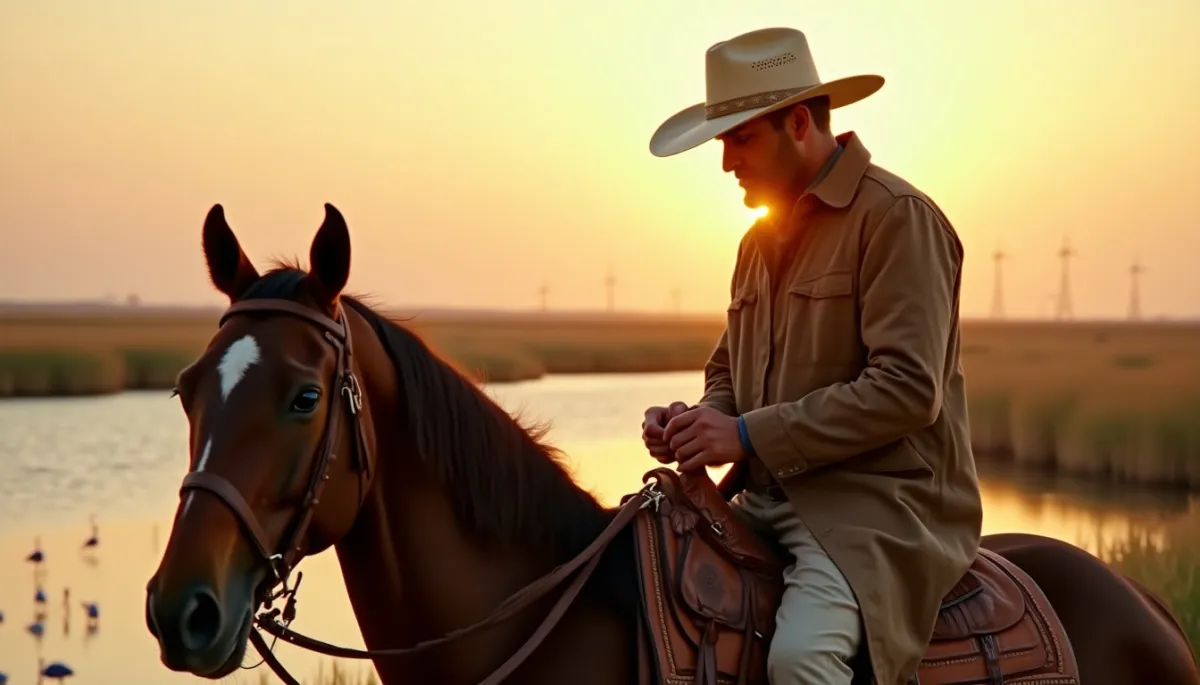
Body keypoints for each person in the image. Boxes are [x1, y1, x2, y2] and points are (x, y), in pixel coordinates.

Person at [640, 27, 983, 685]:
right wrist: (698, 422)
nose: (725, 163)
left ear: (799, 123)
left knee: (801, 662)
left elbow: (908, 388)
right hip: (765, 494)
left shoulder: (897, 218)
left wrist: (742, 434)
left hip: (876, 507)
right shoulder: (756, 239)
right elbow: (727, 371)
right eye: (722, 142)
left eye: (740, 139)